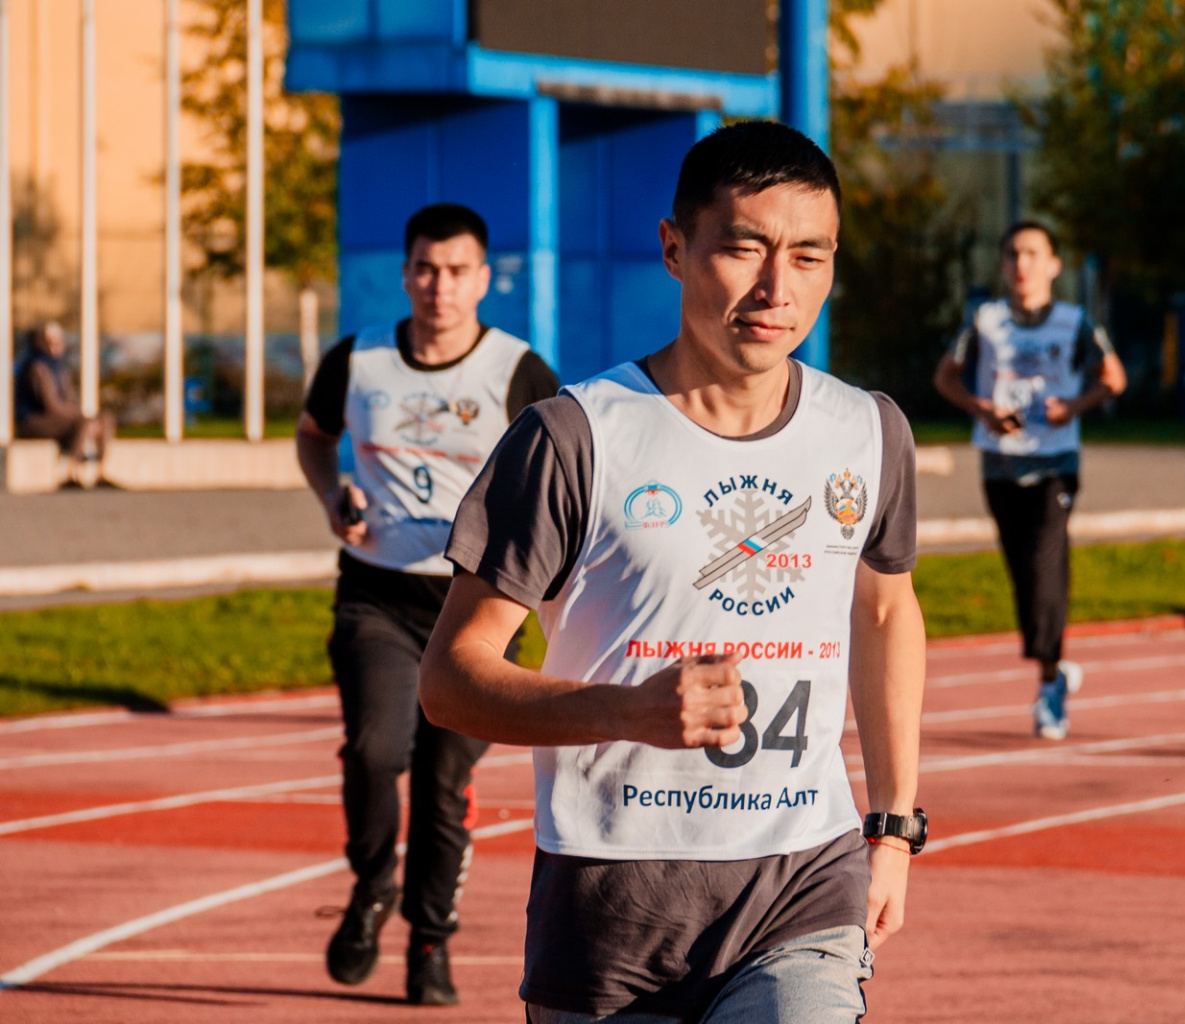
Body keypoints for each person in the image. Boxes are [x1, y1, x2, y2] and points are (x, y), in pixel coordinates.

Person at [418, 121, 927, 1022]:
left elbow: (884, 613)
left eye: (809, 256)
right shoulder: (575, 437)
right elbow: (450, 681)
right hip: (611, 902)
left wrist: (891, 829)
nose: (778, 289)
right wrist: (626, 712)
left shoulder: (868, 430)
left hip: (801, 881)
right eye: (744, 248)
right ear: (673, 248)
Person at [295, 202, 559, 1005]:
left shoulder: (519, 372)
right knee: (375, 751)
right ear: (405, 273)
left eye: (455, 271)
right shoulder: (359, 358)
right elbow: (313, 434)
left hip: (479, 605)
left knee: (445, 782)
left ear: (482, 280)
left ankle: (430, 939)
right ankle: (374, 882)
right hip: (376, 593)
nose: (438, 286)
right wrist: (331, 494)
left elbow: (564, 478)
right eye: (424, 269)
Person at [933, 220, 1125, 741]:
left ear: (1054, 265)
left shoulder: (1074, 322)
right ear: (1002, 265)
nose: (1022, 264)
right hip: (999, 461)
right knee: (1023, 572)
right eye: (1013, 254)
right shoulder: (986, 320)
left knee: (1044, 562)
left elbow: (1114, 378)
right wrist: (982, 409)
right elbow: (945, 377)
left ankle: (1048, 683)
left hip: (1054, 462)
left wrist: (1074, 407)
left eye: (1033, 254)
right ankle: (1053, 666)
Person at [13, 321, 113, 487]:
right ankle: (70, 472)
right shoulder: (36, 367)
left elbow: (69, 399)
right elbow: (51, 405)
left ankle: (101, 473)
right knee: (83, 422)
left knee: (104, 419)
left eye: (60, 340)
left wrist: (87, 418)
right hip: (33, 421)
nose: (59, 345)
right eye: (53, 341)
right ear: (42, 343)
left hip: (59, 418)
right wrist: (82, 418)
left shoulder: (58, 367)